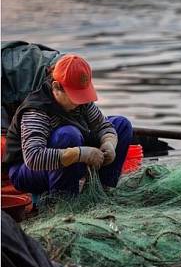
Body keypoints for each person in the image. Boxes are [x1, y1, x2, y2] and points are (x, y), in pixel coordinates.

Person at [3, 54, 133, 197]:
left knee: (121, 124)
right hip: (27, 171)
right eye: (74, 96)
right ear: (56, 87)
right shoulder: (36, 111)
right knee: (68, 134)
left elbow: (103, 126)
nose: (79, 102)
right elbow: (34, 157)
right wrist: (79, 154)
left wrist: (109, 143)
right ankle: (63, 200)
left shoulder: (82, 102)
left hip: (71, 158)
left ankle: (102, 191)